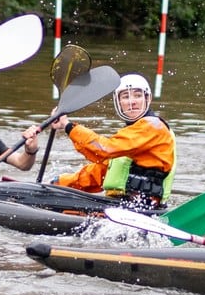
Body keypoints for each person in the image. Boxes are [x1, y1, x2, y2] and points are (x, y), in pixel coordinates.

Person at [25, 72, 175, 205]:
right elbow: (99, 173)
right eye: (125, 96)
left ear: (147, 98)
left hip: (143, 208)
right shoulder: (129, 136)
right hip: (121, 204)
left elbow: (104, 148)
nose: (132, 102)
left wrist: (68, 126)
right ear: (118, 103)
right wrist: (58, 184)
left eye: (137, 95)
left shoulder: (152, 127)